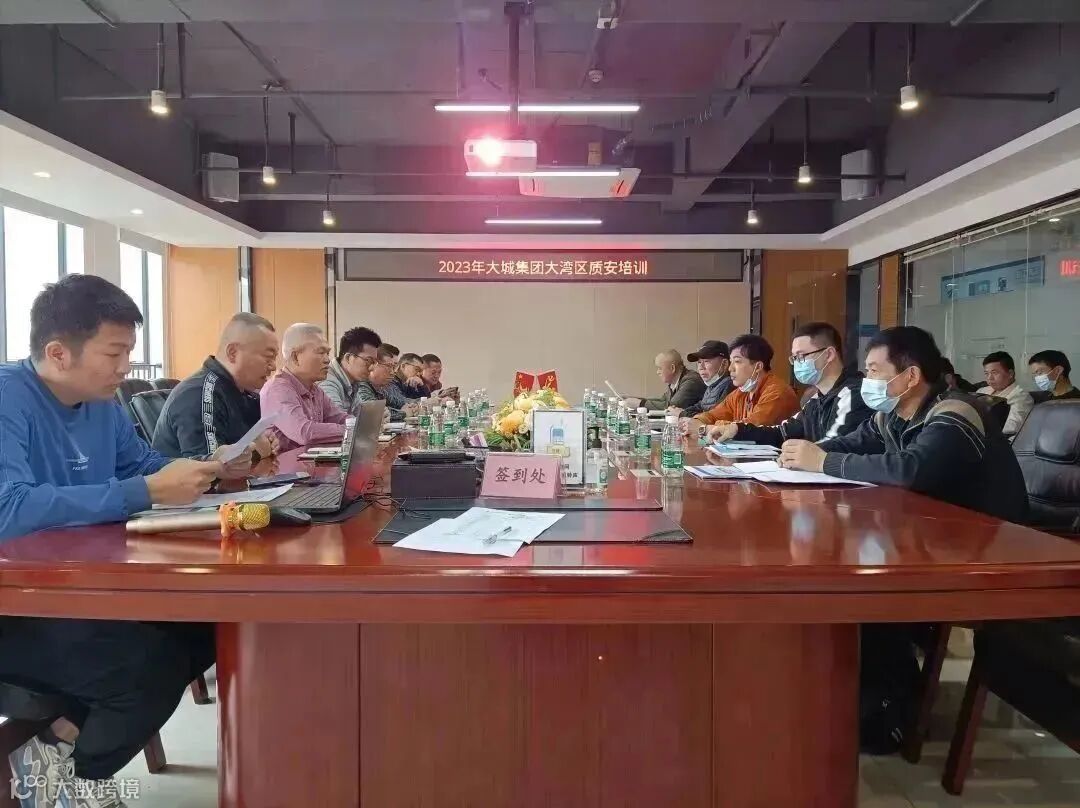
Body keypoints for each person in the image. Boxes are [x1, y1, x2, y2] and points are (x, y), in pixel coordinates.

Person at [0, 275, 221, 807]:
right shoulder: (8, 399)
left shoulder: (100, 403)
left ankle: (56, 749)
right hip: (16, 605)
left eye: (129, 352)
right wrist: (143, 490)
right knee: (143, 669)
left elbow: (140, 465)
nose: (126, 368)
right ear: (59, 352)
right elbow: (8, 509)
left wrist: (207, 471)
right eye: (114, 353)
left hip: (77, 590)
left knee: (209, 626)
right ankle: (69, 782)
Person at [778, 326, 1027, 756]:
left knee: (865, 587)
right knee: (849, 570)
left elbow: (912, 470)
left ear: (910, 376)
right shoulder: (893, 415)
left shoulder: (955, 412)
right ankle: (865, 697)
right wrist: (804, 454)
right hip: (932, 539)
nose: (867, 380)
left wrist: (826, 461)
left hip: (989, 550)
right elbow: (850, 444)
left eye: (875, 371)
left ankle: (889, 713)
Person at [709, 322, 870, 446]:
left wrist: (798, 453)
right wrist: (737, 430)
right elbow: (782, 432)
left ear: (828, 354)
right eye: (794, 358)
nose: (796, 364)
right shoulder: (816, 399)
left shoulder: (853, 393)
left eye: (801, 356)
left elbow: (835, 445)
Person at [153, 313, 280, 459]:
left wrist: (266, 441)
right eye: (268, 357)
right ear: (233, 353)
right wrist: (256, 451)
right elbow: (208, 465)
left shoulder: (245, 394)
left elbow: (251, 442)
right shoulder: (199, 394)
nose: (273, 367)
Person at [260, 323, 348, 452]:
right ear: (295, 357)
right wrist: (351, 430)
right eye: (321, 352)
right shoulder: (278, 389)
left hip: (309, 463)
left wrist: (361, 425)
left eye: (327, 353)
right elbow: (304, 433)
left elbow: (339, 418)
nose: (327, 360)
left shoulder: (315, 390)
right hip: (284, 465)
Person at [690, 334, 800, 433]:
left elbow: (750, 429)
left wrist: (707, 428)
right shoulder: (741, 392)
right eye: (731, 362)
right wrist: (697, 421)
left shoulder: (777, 392)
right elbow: (713, 415)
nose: (730, 368)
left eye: (737, 361)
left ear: (758, 366)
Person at [319, 326, 381, 415]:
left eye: (374, 362)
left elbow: (359, 415)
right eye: (368, 360)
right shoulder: (328, 383)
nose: (372, 368)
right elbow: (337, 420)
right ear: (348, 358)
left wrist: (376, 416)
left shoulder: (353, 382)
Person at [976, 351, 1033, 437]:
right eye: (986, 373)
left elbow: (1010, 430)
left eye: (994, 373)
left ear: (1010, 374)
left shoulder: (1021, 397)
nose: (989, 378)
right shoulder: (982, 391)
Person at [627, 350, 705, 412]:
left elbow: (671, 407)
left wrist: (640, 403)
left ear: (672, 368)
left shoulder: (691, 381)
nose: (657, 372)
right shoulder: (676, 382)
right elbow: (663, 400)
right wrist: (638, 399)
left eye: (660, 368)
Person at [677, 340, 734, 417]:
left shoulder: (729, 386)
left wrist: (682, 414)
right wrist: (683, 412)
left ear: (724, 364)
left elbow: (713, 417)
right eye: (699, 362)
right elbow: (700, 406)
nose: (701, 367)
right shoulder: (712, 386)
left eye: (706, 361)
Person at [356, 344, 408, 421]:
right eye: (389, 366)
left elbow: (401, 402)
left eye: (394, 367)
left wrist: (413, 406)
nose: (393, 372)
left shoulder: (384, 385)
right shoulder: (361, 385)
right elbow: (374, 412)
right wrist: (404, 413)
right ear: (373, 364)